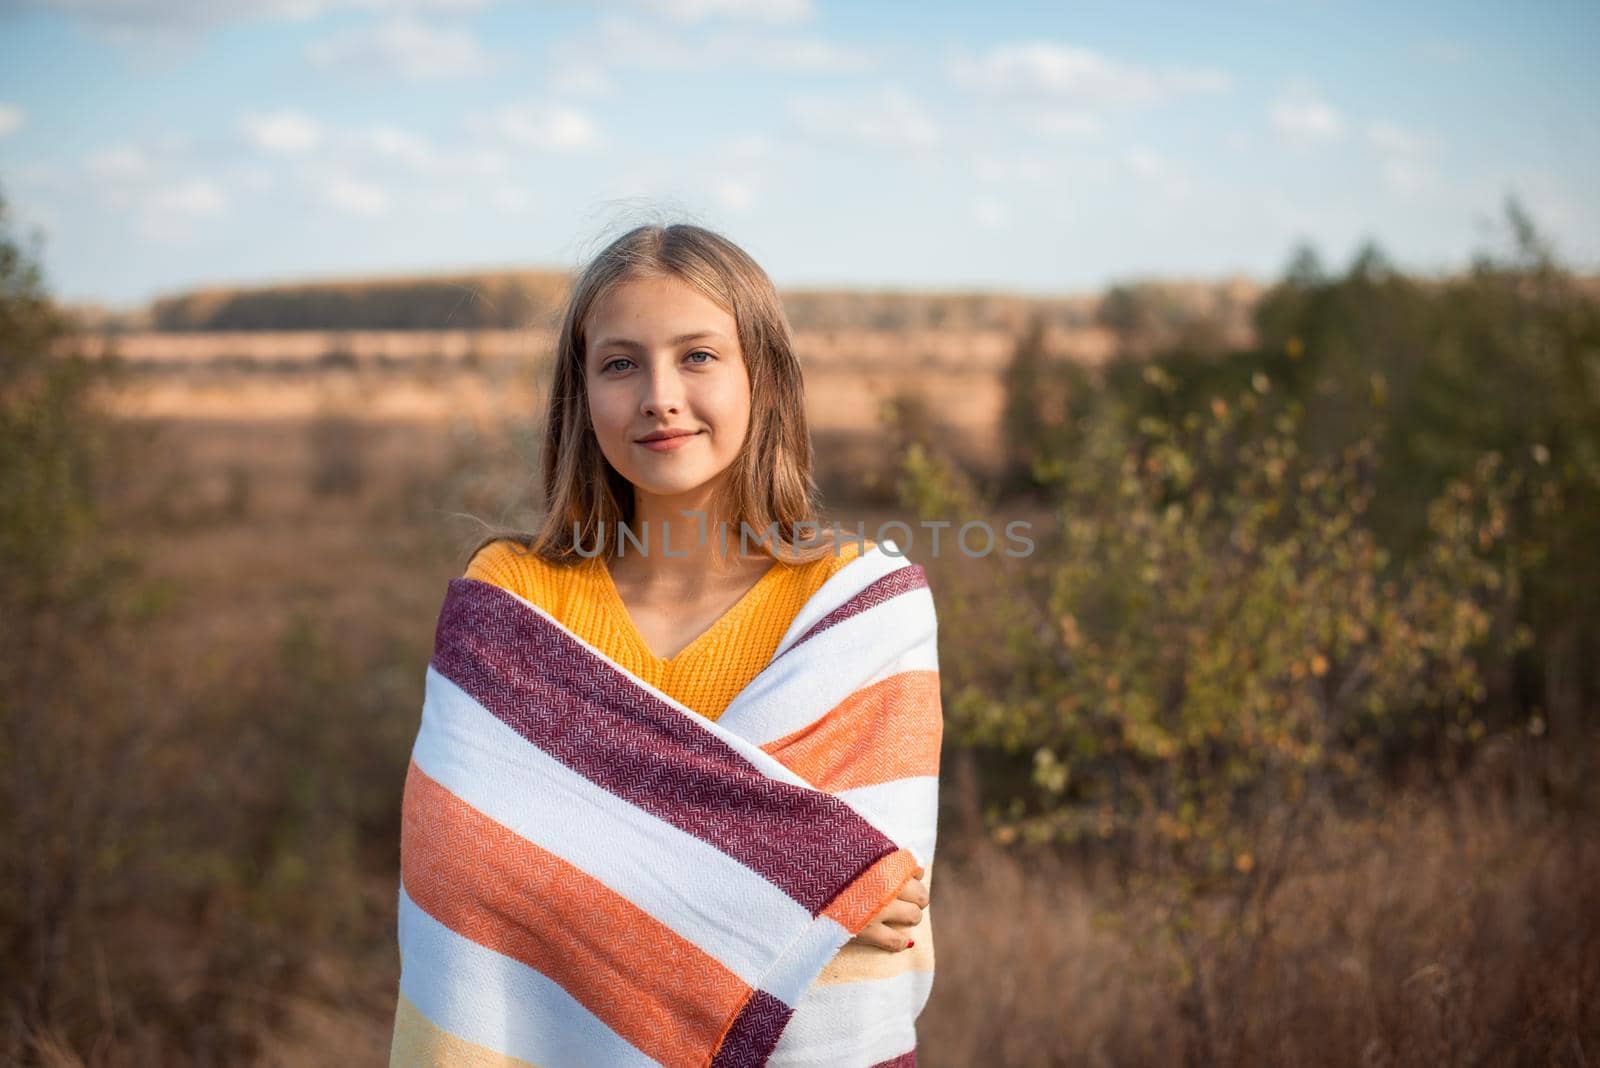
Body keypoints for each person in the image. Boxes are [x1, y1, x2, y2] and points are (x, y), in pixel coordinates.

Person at [414, 221, 937, 1064]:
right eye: (620, 364)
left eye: (698, 356)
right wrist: (802, 876)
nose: (658, 394)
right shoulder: (512, 598)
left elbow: (876, 927)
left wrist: (600, 859)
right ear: (580, 394)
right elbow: (470, 871)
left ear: (762, 378)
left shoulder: (860, 608)